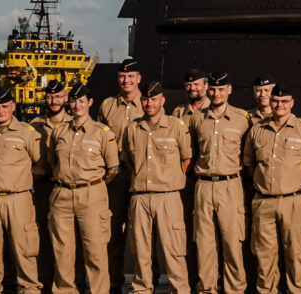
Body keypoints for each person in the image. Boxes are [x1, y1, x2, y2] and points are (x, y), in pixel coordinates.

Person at [44, 85, 119, 294]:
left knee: (95, 250)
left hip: (92, 195)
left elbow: (113, 168)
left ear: (90, 103)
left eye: (81, 101)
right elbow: (53, 162)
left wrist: (92, 185)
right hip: (62, 195)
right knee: (63, 252)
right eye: (73, 101)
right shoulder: (59, 131)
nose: (77, 105)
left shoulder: (102, 133)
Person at [122, 81, 194, 293]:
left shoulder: (176, 126)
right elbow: (128, 162)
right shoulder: (132, 128)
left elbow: (186, 159)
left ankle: (179, 290)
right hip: (140, 197)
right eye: (145, 99)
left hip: (168, 196)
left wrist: (170, 179)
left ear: (162, 100)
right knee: (140, 250)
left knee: (174, 250)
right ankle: (142, 289)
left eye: (153, 99)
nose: (149, 103)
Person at [244, 87, 301, 294]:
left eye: (284, 101)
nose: (279, 105)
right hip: (264, 202)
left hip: (294, 202)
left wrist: (296, 185)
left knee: (296, 255)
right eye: (275, 101)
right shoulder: (257, 130)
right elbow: (249, 163)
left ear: (292, 103)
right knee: (265, 257)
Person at [0, 87, 44, 294]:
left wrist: (19, 182)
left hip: (18, 199)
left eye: (4, 106)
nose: (0, 111)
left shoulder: (27, 133)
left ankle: (30, 289)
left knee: (25, 250)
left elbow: (40, 164)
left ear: (13, 107)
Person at [188, 71, 249, 294]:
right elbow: (193, 153)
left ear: (229, 90)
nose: (216, 94)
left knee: (232, 242)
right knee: (205, 243)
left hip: (230, 185)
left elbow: (249, 157)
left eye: (221, 89)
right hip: (203, 185)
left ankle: (235, 290)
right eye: (212, 89)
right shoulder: (197, 119)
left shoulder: (242, 120)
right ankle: (207, 289)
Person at [100, 59, 145, 293]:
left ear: (138, 78)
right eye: (122, 76)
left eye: (130, 76)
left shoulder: (148, 104)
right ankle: (114, 281)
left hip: (139, 174)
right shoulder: (107, 106)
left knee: (142, 233)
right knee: (113, 231)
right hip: (115, 177)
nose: (126, 81)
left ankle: (145, 282)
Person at [31, 81, 71, 288]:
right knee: (43, 237)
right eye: (49, 97)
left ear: (66, 98)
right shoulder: (34, 126)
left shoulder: (74, 124)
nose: (54, 101)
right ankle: (45, 282)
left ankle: (71, 285)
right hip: (42, 187)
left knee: (67, 240)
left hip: (65, 188)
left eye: (58, 97)